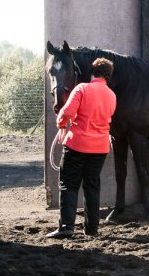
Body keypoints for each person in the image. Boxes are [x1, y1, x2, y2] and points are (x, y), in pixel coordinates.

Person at [46, 57, 116, 238]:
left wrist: (61, 124)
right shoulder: (112, 95)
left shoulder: (82, 89)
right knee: (92, 187)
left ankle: (66, 227)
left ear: (92, 72)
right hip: (100, 148)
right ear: (108, 76)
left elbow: (67, 113)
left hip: (77, 145)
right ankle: (92, 229)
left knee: (69, 184)